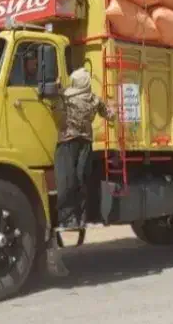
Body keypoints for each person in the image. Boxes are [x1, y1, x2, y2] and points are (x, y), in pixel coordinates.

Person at [52, 67, 116, 230]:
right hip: (85, 143)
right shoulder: (93, 99)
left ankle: (67, 219)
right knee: (81, 179)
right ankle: (81, 218)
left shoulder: (66, 95)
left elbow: (56, 106)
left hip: (67, 142)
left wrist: (57, 88)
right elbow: (109, 114)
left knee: (67, 180)